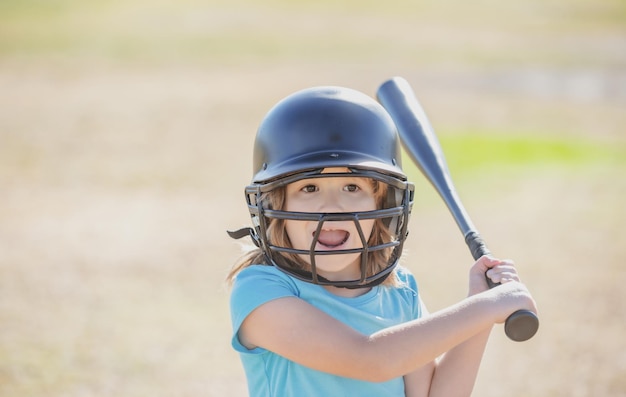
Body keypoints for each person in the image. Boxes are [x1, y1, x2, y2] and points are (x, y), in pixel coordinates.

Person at [226, 85, 537, 397]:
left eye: (352, 187)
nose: (332, 206)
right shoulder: (261, 290)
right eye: (309, 189)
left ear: (381, 203)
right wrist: (486, 308)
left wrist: (479, 308)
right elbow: (369, 359)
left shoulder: (399, 291)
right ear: (275, 207)